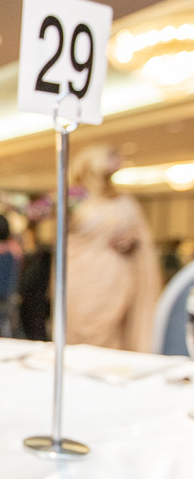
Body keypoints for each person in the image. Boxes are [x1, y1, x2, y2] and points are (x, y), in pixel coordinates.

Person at [66, 143, 161, 352]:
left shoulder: (123, 200)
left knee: (117, 333)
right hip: (82, 277)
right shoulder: (74, 198)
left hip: (118, 277)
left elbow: (140, 232)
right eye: (110, 157)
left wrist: (132, 240)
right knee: (79, 333)